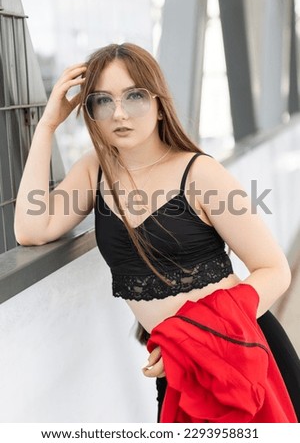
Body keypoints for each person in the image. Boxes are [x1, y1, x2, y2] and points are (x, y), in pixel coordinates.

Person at [14, 43, 300, 422]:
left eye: (134, 96)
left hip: (236, 354)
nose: (119, 113)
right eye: (102, 101)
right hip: (176, 368)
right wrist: (48, 124)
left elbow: (274, 269)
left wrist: (192, 340)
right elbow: (31, 229)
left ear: (160, 104)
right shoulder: (94, 171)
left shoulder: (200, 173)